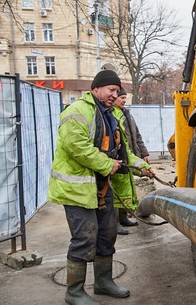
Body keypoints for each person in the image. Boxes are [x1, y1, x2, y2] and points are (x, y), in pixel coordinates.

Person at [47, 70, 153, 305]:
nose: (114, 95)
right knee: (84, 238)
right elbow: (77, 147)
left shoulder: (111, 114)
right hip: (77, 190)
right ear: (95, 89)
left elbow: (121, 149)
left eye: (117, 91)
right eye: (111, 90)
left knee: (107, 234)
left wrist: (139, 166)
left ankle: (103, 282)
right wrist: (106, 164)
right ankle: (74, 292)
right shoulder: (77, 111)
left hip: (101, 188)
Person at [112, 87, 151, 234]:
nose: (124, 100)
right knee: (117, 191)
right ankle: (114, 222)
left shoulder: (127, 114)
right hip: (118, 156)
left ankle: (123, 218)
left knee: (126, 189)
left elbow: (137, 136)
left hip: (129, 154)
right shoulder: (112, 116)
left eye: (124, 98)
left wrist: (144, 153)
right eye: (121, 98)